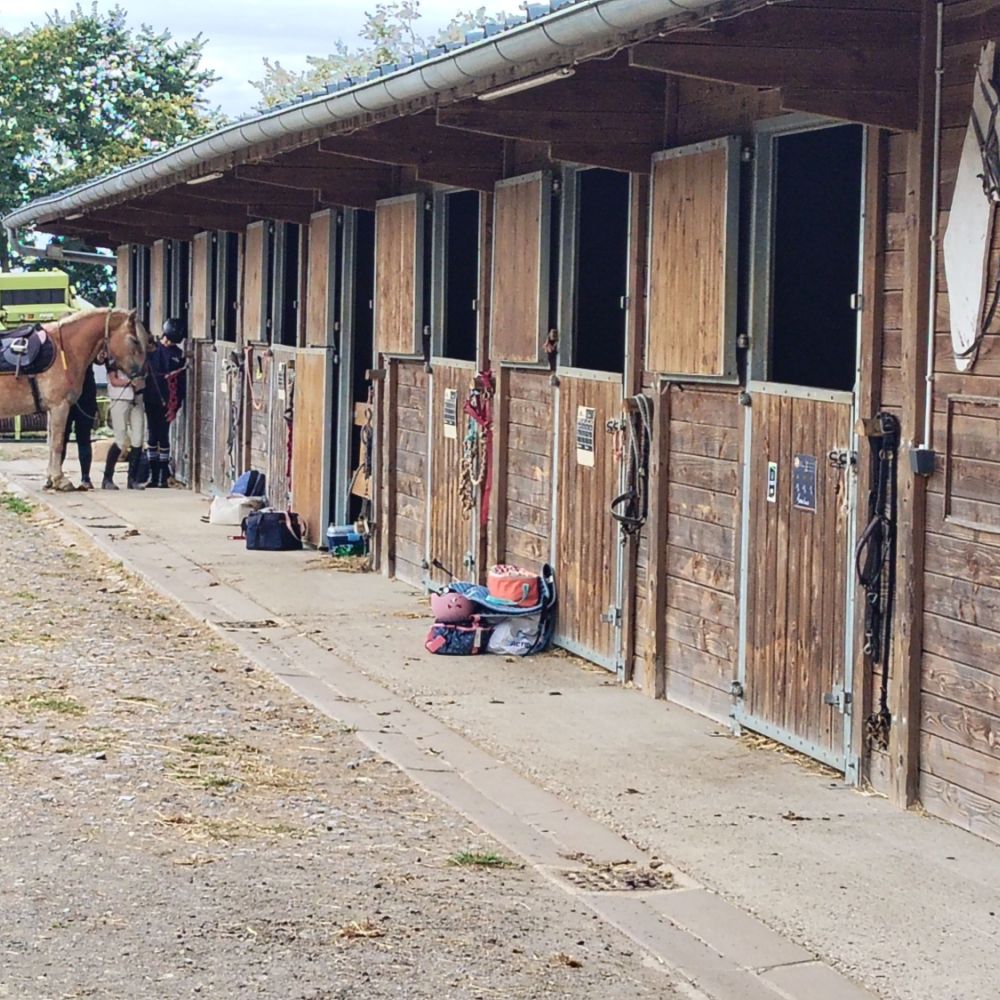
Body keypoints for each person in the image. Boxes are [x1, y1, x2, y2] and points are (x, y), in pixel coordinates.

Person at [144, 316, 187, 488]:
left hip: (168, 400)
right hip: (151, 397)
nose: (169, 343)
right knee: (153, 436)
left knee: (163, 436)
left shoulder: (177, 355)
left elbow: (181, 382)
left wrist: (177, 404)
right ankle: (153, 475)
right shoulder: (152, 350)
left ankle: (163, 476)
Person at [102, 359, 146, 490]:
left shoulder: (139, 357)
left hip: (137, 398)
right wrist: (129, 382)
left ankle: (132, 478)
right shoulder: (114, 357)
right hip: (120, 397)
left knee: (138, 439)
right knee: (120, 439)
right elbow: (113, 380)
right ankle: (107, 477)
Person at [62, 364, 97, 490]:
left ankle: (86, 476)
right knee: (62, 438)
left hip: (86, 396)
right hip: (66, 394)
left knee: (84, 438)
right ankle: (56, 473)